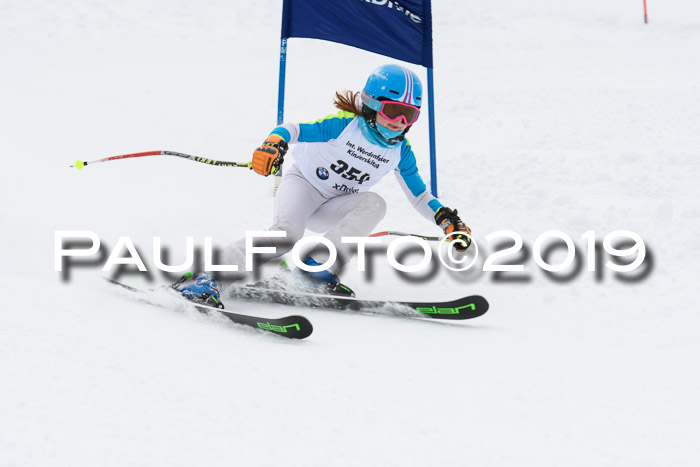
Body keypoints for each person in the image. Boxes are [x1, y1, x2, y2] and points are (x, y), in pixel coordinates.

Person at [176, 64, 472, 308]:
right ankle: (209, 276)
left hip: (335, 204)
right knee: (285, 236)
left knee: (375, 203)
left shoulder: (401, 152)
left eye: (409, 115)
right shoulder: (345, 126)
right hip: (303, 186)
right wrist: (273, 144)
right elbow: (292, 130)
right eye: (392, 110)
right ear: (371, 104)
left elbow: (420, 196)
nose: (398, 121)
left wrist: (447, 219)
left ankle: (315, 269)